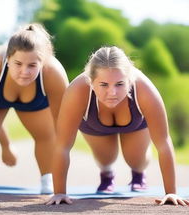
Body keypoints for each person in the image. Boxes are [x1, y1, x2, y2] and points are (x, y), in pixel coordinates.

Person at [46, 46, 189, 206]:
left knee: (136, 159)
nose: (112, 92)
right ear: (91, 82)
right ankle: (107, 174)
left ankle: (139, 172)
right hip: (94, 124)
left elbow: (163, 144)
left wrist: (171, 192)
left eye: (120, 84)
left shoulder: (145, 90)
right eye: (104, 84)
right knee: (106, 157)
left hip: (135, 124)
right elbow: (62, 146)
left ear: (130, 81)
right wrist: (59, 193)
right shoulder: (77, 91)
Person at [0, 23, 69, 194]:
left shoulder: (54, 73)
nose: (24, 71)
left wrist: (60, 180)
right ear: (7, 58)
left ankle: (47, 177)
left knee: (49, 134)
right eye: (18, 63)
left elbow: (63, 124)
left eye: (32, 66)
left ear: (43, 63)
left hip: (35, 102)